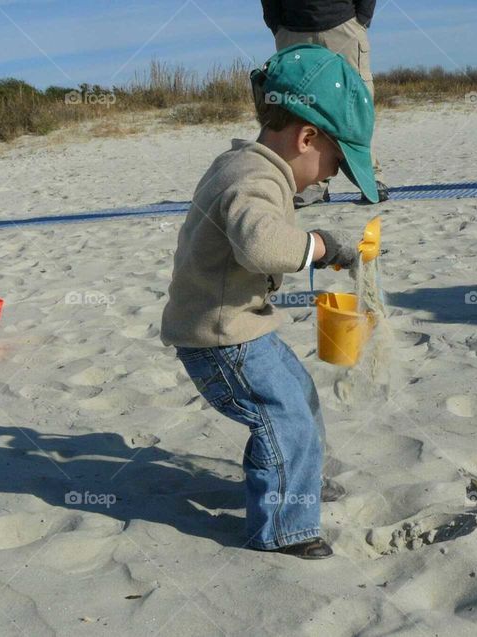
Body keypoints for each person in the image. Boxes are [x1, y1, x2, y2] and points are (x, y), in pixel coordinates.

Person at [160, 44, 379, 559]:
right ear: (307, 137)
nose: (329, 176)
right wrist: (320, 247)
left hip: (243, 326)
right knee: (284, 420)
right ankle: (283, 527)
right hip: (219, 338)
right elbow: (260, 246)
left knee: (299, 396)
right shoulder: (254, 177)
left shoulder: (246, 165)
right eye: (335, 162)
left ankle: (301, 482)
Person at [261, 0, 389, 205]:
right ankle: (313, 183)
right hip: (292, 29)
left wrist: (361, 20)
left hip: (343, 24)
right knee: (299, 108)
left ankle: (370, 176)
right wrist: (276, 24)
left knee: (356, 104)